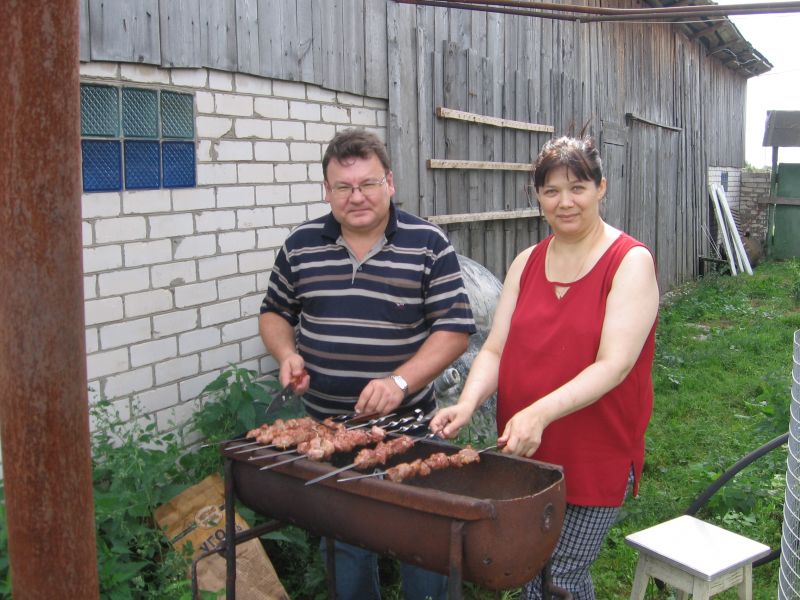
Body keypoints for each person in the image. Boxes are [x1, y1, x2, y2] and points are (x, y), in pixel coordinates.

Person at [430, 135, 659, 600]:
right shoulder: (526, 263)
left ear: (601, 188)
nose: (565, 202)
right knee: (533, 568)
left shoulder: (629, 262)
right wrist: (467, 402)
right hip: (526, 450)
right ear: (538, 196)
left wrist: (539, 412)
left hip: (595, 449)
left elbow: (614, 365)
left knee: (560, 579)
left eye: (577, 188)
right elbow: (495, 350)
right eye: (551, 191)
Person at [259, 128, 476, 600]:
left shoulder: (427, 243)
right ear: (327, 191)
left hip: (411, 429)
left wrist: (399, 381)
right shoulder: (300, 245)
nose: (356, 197)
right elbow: (275, 312)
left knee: (423, 544)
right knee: (345, 545)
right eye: (343, 186)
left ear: (389, 183)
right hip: (327, 432)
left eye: (368, 184)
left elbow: (455, 331)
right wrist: (287, 353)